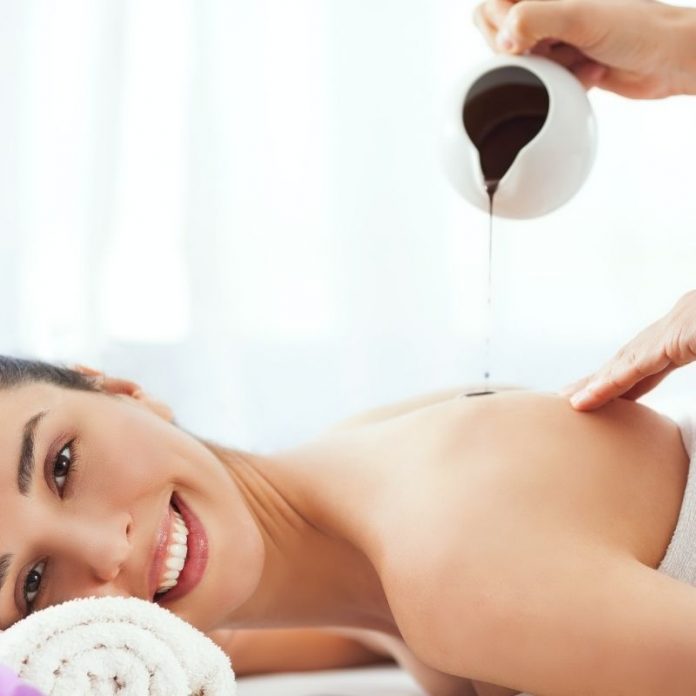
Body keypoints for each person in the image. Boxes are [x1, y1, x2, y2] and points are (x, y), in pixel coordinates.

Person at [1, 354, 696, 696]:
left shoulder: (445, 568)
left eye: (62, 465)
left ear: (121, 390)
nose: (106, 551)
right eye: (32, 584)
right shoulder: (348, 507)